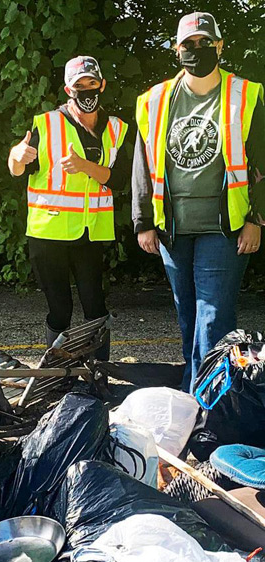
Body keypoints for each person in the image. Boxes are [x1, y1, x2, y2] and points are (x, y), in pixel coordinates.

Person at [133, 12, 265, 391]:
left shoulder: (245, 94)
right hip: (173, 227)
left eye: (206, 42)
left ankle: (207, 404)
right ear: (177, 51)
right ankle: (203, 395)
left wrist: (257, 218)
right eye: (189, 45)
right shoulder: (155, 100)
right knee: (188, 318)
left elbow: (261, 161)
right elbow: (144, 162)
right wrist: (143, 221)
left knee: (214, 318)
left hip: (223, 227)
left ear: (220, 45)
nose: (197, 50)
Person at [8, 56, 130, 357]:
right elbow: (17, 170)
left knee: (95, 306)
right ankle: (55, 374)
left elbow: (120, 180)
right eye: (79, 86)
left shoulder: (117, 128)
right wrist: (16, 156)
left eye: (92, 83)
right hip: (48, 233)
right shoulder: (46, 124)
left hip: (91, 233)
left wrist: (83, 166)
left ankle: (98, 371)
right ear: (68, 90)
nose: (86, 91)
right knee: (59, 309)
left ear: (102, 85)